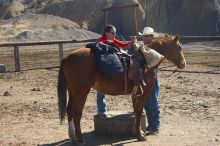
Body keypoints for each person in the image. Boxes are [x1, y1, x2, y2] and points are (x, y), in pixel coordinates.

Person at [96, 25, 132, 116]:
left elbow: (122, 44)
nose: (114, 35)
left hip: (110, 65)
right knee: (100, 88)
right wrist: (107, 42)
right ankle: (101, 110)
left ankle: (101, 110)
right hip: (102, 65)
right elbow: (99, 44)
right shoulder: (101, 40)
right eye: (113, 33)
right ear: (107, 33)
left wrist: (131, 42)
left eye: (115, 33)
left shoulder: (113, 40)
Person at [139, 27, 160, 135]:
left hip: (152, 77)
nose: (145, 38)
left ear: (152, 37)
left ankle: (155, 126)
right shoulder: (143, 47)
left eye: (147, 36)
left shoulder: (155, 48)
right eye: (144, 36)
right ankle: (151, 125)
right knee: (147, 103)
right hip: (146, 77)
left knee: (153, 102)